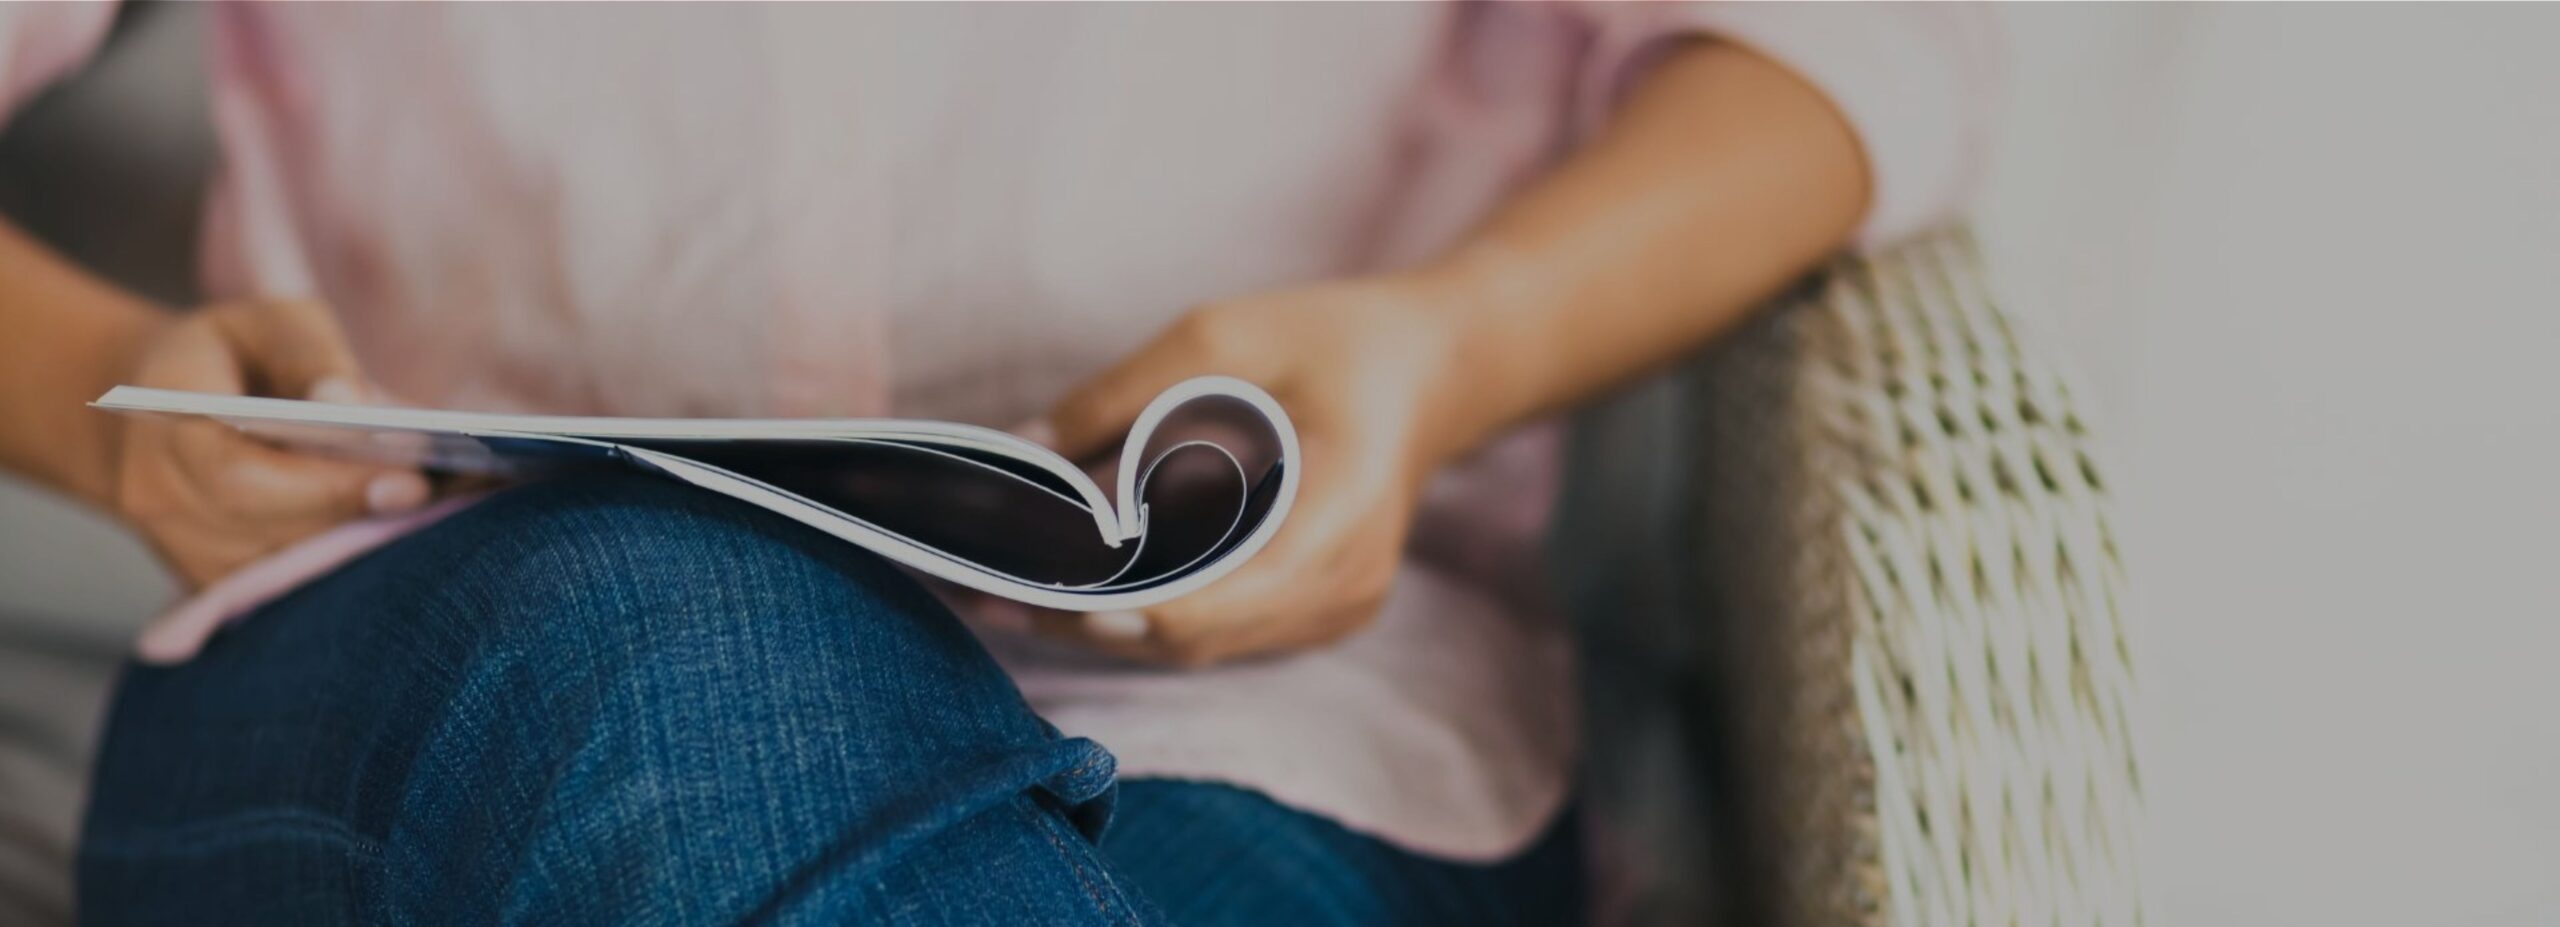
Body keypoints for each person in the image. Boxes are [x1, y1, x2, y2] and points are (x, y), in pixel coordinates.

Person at [0, 4, 1994, 924]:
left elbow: (1848, 50)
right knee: (667, 650)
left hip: (1285, 742)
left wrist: (1443, 344)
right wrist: (117, 381)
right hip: (420, 664)